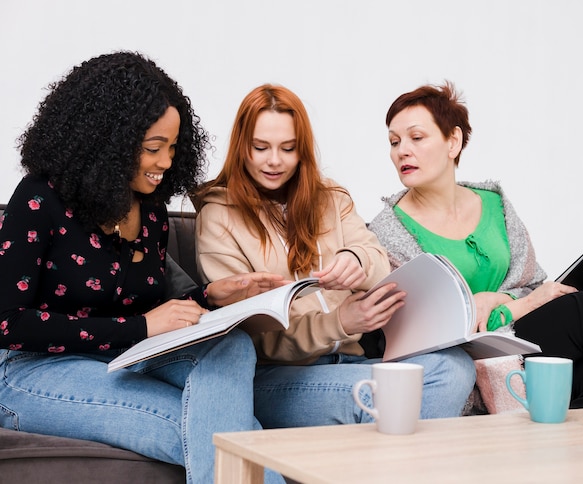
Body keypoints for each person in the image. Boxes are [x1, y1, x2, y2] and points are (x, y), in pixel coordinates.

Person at [0, 52, 287, 484]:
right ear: (108, 141)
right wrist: (137, 329)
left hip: (123, 355)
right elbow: (8, 321)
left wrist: (209, 297)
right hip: (32, 370)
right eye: (154, 149)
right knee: (216, 432)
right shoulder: (40, 199)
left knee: (232, 347)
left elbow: (148, 309)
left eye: (173, 148)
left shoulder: (150, 207)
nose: (167, 163)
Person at [192, 84, 476, 428]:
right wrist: (338, 323)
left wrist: (357, 259)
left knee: (455, 368)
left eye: (288, 148)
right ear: (242, 148)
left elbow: (376, 257)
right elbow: (251, 338)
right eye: (260, 147)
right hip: (276, 377)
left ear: (302, 151)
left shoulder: (331, 200)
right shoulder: (219, 217)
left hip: (349, 363)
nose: (274, 160)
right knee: (380, 396)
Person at [369, 80, 583, 409]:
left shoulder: (495, 204)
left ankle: (544, 450)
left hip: (524, 350)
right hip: (469, 363)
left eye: (416, 138)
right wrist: (516, 308)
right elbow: (423, 332)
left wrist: (496, 299)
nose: (402, 150)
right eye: (394, 141)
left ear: (453, 141)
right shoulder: (388, 232)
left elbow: (532, 283)